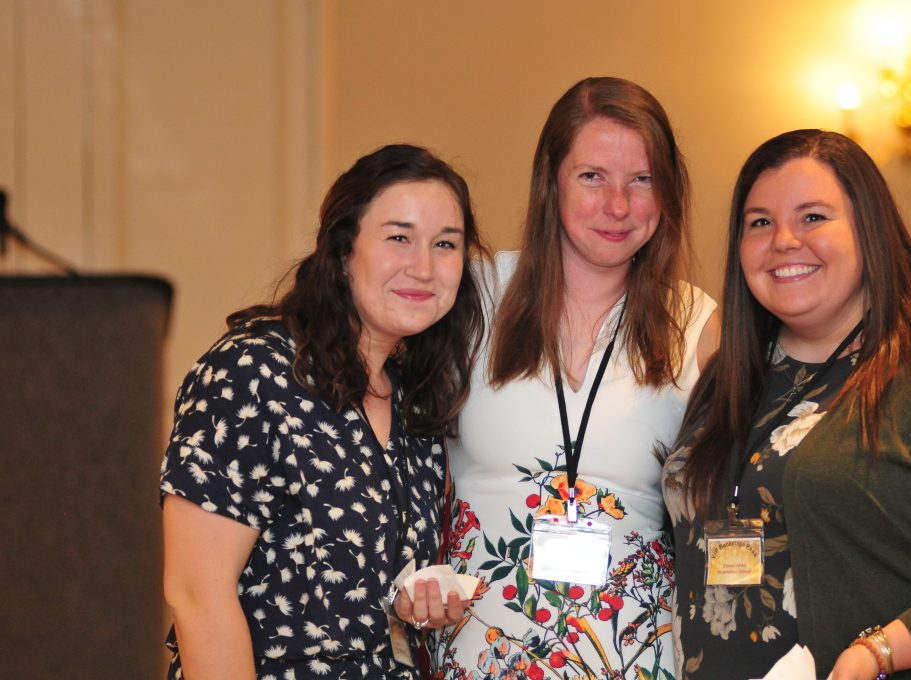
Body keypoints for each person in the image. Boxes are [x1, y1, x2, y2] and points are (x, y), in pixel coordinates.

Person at [663, 128, 911, 680]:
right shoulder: (728, 379)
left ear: (869, 229)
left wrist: (879, 651)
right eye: (760, 222)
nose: (784, 239)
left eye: (812, 217)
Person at [428, 77, 719, 679]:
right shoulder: (472, 295)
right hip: (476, 652)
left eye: (642, 180)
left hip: (633, 657)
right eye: (593, 177)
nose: (619, 205)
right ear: (550, 183)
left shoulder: (698, 322)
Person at [160, 143, 486, 679]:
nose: (424, 267)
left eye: (445, 244)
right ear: (342, 251)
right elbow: (196, 592)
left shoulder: (416, 400)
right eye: (399, 237)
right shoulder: (253, 371)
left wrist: (412, 608)